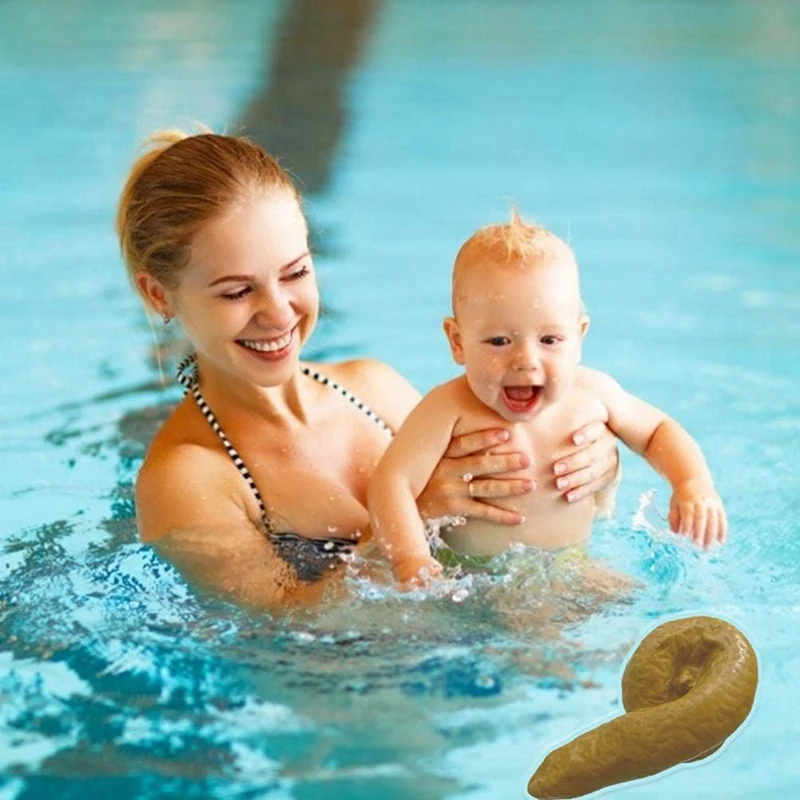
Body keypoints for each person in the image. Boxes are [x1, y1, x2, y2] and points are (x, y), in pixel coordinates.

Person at [116, 130, 620, 609]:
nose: (279, 312)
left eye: (296, 273)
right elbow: (277, 632)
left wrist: (592, 467)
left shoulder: (371, 387)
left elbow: (515, 464)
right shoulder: (186, 478)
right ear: (158, 294)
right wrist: (410, 524)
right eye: (237, 291)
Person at [368, 212, 727, 586]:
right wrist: (410, 560)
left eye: (549, 340)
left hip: (571, 566)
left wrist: (692, 483)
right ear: (457, 342)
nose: (525, 360)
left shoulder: (593, 394)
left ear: (579, 336)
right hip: (475, 578)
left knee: (630, 601)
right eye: (498, 341)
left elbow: (658, 430)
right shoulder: (447, 409)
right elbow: (391, 483)